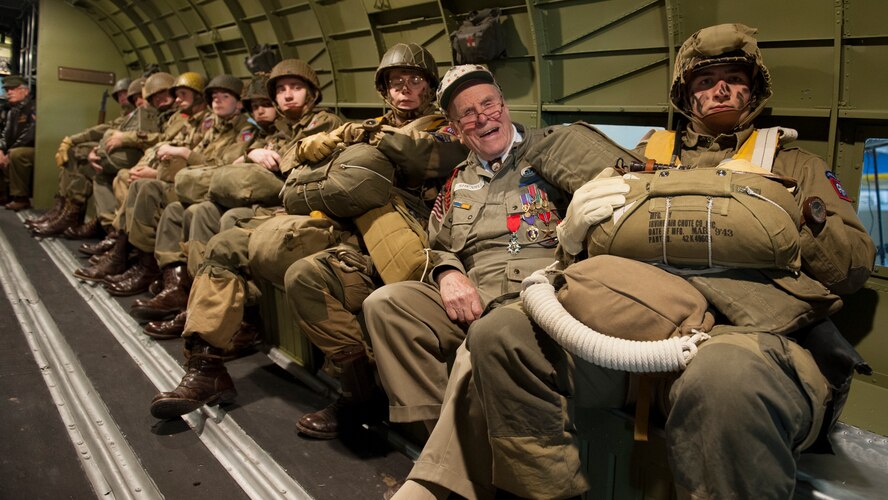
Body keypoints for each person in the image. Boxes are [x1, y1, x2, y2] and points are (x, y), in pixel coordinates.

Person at [389, 24, 877, 500]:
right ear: (686, 95)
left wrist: (787, 211)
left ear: (755, 90)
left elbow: (850, 268)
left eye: (735, 78)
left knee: (722, 380)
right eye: (705, 81)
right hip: (637, 323)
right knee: (500, 335)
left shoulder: (792, 165)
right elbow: (600, 245)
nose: (720, 89)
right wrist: (574, 232)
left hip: (744, 331)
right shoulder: (648, 156)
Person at [358, 63, 641, 499]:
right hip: (472, 295)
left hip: (538, 298)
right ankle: (460, 453)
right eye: (465, 114)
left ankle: (436, 483)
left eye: (488, 103)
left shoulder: (551, 155)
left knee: (486, 337)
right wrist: (449, 273)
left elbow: (623, 200)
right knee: (386, 305)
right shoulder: (459, 181)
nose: (481, 117)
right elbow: (439, 245)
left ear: (504, 105)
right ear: (454, 128)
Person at [283, 42, 468, 440]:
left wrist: (367, 135)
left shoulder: (445, 128)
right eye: (395, 81)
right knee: (304, 277)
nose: (404, 88)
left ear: (429, 87)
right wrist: (325, 142)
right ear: (384, 89)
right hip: (364, 243)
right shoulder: (366, 127)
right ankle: (360, 392)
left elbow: (422, 158)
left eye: (414, 80)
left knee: (383, 301)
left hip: (419, 248)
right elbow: (293, 159)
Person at [136, 59, 341, 336]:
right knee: (202, 210)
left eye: (296, 88)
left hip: (294, 205)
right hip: (265, 199)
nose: (288, 95)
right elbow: (244, 162)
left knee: (231, 217)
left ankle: (241, 315)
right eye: (281, 90)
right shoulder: (280, 129)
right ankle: (197, 297)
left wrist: (252, 157)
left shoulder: (323, 121)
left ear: (312, 93)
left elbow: (290, 165)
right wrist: (251, 155)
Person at [27, 76, 133, 237]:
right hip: (117, 158)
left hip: (126, 161)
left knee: (80, 156)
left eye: (125, 93)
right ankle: (64, 209)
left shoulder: (139, 117)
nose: (122, 97)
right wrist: (72, 140)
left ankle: (70, 213)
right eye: (119, 95)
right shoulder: (126, 118)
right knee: (75, 156)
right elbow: (104, 129)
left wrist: (82, 144)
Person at [0, 75, 36, 210]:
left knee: (16, 154)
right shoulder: (12, 111)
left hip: (33, 150)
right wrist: (0, 149)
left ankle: (21, 198)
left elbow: (29, 136)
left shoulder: (33, 107)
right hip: (17, 148)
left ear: (25, 91)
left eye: (13, 89)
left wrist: (8, 153)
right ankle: (3, 195)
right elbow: (5, 135)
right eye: (7, 90)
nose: (9, 92)